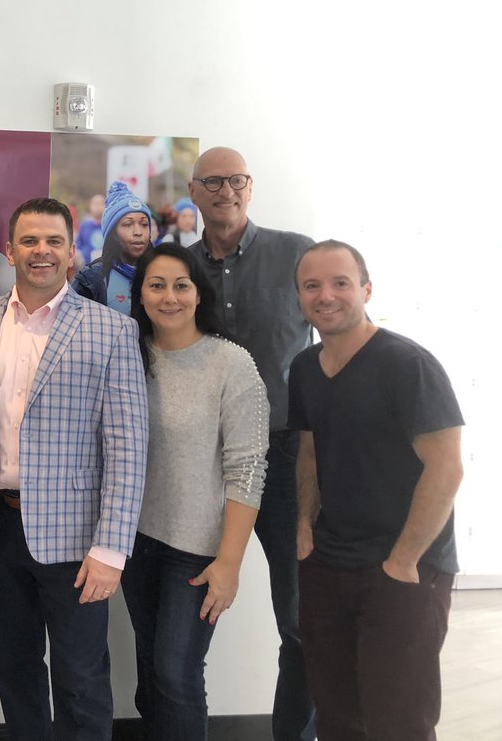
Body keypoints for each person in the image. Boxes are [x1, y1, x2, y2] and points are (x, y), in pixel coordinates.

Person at [0, 197, 148, 741]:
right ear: (10, 249)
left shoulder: (111, 331)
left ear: (71, 252)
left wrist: (112, 547)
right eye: (30, 241)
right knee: (13, 670)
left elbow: (129, 446)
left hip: (80, 540)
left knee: (81, 678)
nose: (42, 252)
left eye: (54, 241)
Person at [289, 241, 463, 741]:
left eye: (341, 282)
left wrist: (404, 559)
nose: (327, 295)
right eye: (312, 285)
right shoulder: (304, 369)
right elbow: (310, 452)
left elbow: (446, 468)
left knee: (400, 720)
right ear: (299, 296)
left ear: (366, 289)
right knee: (337, 716)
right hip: (328, 564)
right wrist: (304, 528)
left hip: (403, 570)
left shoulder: (408, 365)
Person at [185, 146, 316, 741]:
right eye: (213, 181)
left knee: (300, 622)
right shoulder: (177, 270)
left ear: (251, 186)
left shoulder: (295, 254)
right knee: (186, 625)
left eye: (235, 180)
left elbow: (336, 336)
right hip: (202, 466)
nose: (226, 190)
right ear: (194, 191)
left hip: (287, 460)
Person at [123, 242, 268, 739]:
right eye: (156, 285)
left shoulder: (232, 364)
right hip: (137, 541)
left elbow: (247, 468)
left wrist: (229, 563)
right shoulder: (128, 356)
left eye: (180, 285)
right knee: (151, 673)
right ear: (139, 295)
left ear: (198, 293)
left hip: (197, 551)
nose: (169, 297)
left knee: (175, 673)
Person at [71, 180, 155, 314]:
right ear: (112, 234)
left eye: (144, 224)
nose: (138, 232)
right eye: (128, 224)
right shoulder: (90, 280)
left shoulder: (161, 272)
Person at [74, 193, 106, 267]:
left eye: (101, 203)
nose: (98, 207)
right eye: (95, 204)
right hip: (85, 267)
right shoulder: (84, 225)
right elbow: (78, 245)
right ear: (90, 206)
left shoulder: (110, 226)